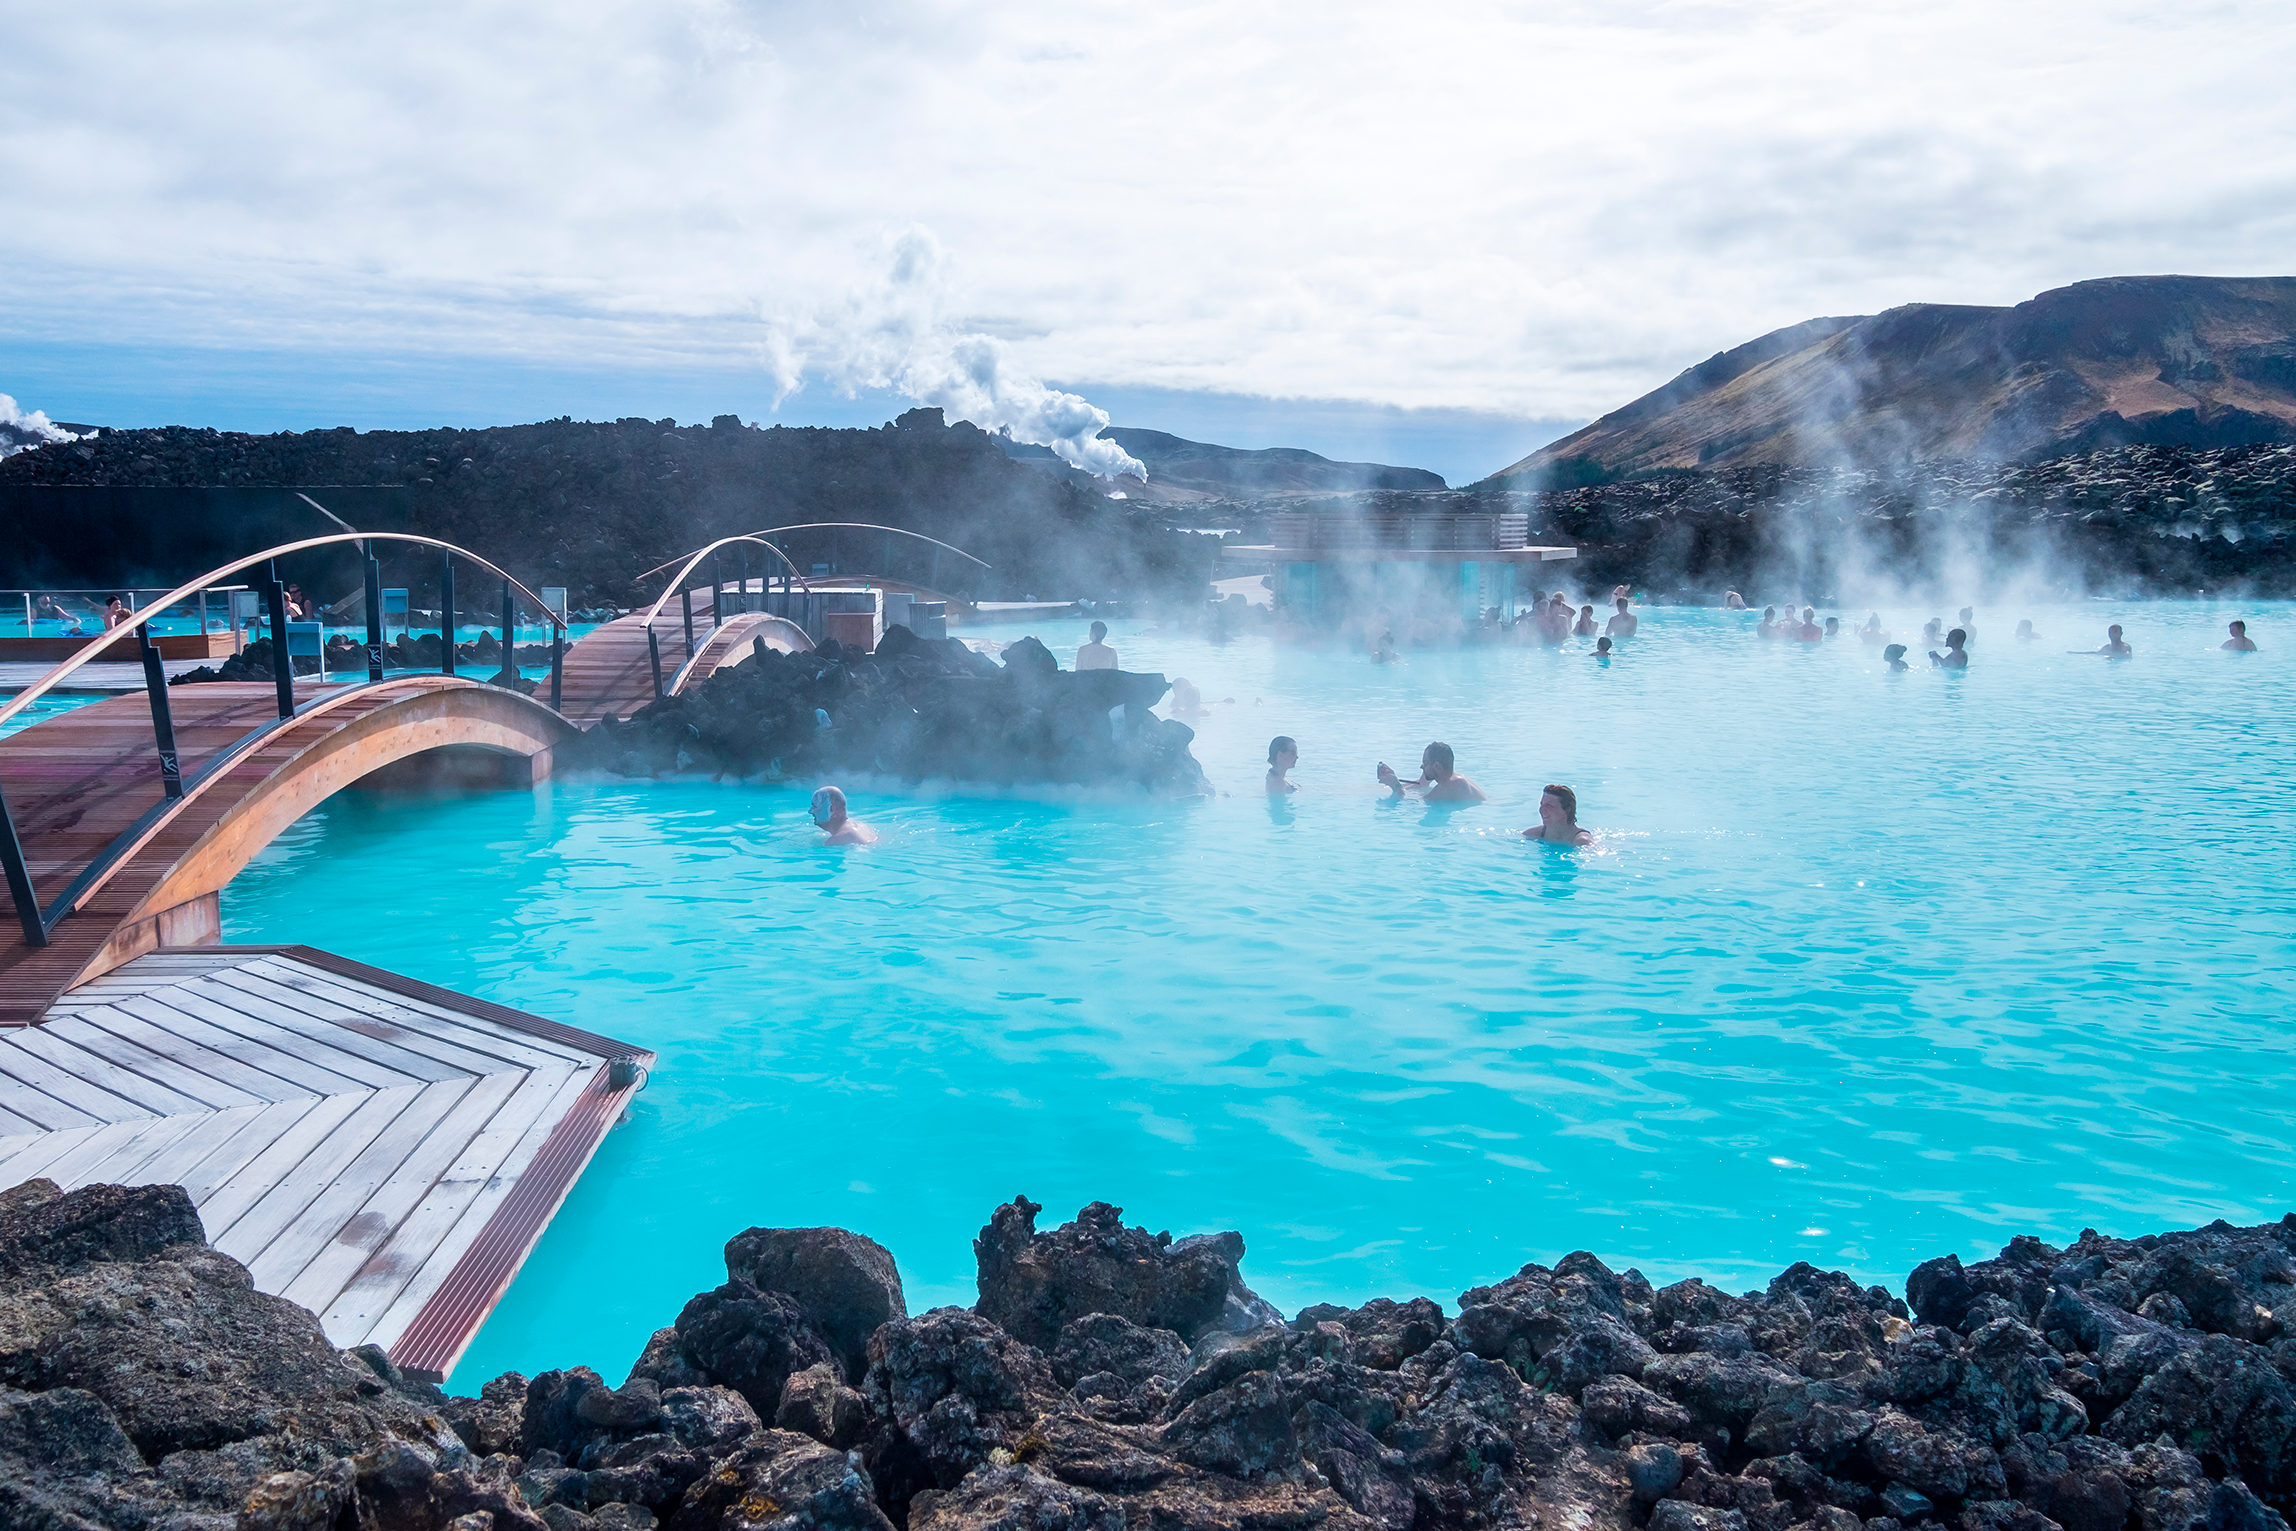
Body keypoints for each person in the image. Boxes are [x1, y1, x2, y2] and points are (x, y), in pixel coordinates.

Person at [1378, 742, 1486, 804]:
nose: (1422, 767)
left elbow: (1417, 804)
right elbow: (1422, 787)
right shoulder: (1458, 778)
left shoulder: (1450, 785)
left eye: (1425, 763)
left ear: (1436, 766)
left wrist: (1397, 787)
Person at [1522, 783, 1594, 846]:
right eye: (1541, 804)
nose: (1542, 810)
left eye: (1549, 806)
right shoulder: (1532, 834)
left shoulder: (1582, 841)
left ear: (1567, 809)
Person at [809, 785, 877, 845]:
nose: (810, 811)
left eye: (815, 806)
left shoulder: (838, 839)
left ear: (831, 809)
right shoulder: (861, 826)